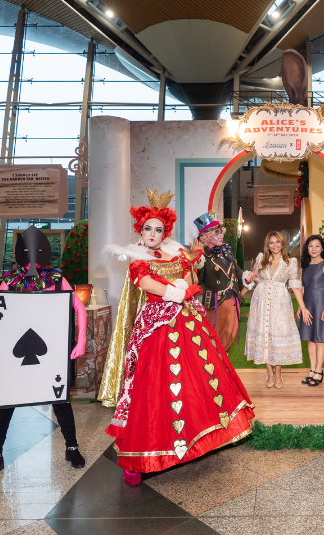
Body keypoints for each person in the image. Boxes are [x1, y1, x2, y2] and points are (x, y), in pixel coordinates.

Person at [101, 188, 255, 486]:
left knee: (193, 380)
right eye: (148, 228)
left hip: (185, 319)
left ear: (165, 232)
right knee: (155, 384)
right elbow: (145, 281)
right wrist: (175, 291)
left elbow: (193, 275)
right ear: (140, 229)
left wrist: (185, 282)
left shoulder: (176, 252)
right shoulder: (136, 256)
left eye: (158, 229)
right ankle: (144, 453)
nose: (152, 233)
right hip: (157, 324)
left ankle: (195, 438)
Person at [0, 226, 88, 482]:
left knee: (60, 401)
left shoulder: (57, 280)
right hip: (15, 355)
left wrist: (81, 341)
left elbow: (79, 308)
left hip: (51, 354)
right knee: (5, 402)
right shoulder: (11, 281)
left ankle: (72, 448)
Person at [244, 231, 307, 389]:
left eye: (277, 242)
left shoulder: (290, 261)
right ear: (267, 245)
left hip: (280, 303)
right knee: (264, 334)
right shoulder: (261, 258)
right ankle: (269, 373)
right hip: (261, 301)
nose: (274, 245)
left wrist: (302, 306)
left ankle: (278, 373)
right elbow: (255, 278)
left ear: (282, 244)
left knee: (278, 337)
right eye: (271, 242)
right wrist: (242, 291)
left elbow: (294, 284)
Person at [192, 212, 246, 352]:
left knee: (229, 337)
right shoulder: (203, 255)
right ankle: (216, 370)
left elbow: (236, 269)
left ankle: (224, 368)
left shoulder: (226, 251)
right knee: (214, 341)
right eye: (217, 233)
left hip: (233, 300)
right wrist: (196, 261)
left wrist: (247, 275)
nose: (221, 235)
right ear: (207, 237)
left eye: (221, 232)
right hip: (215, 304)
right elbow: (196, 279)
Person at [299, 235, 324, 386]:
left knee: (319, 339)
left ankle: (319, 370)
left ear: (322, 248)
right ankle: (312, 369)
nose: (313, 249)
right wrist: (301, 307)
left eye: (317, 246)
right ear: (307, 248)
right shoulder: (304, 267)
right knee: (310, 339)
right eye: (311, 246)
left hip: (320, 306)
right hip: (307, 307)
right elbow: (302, 288)